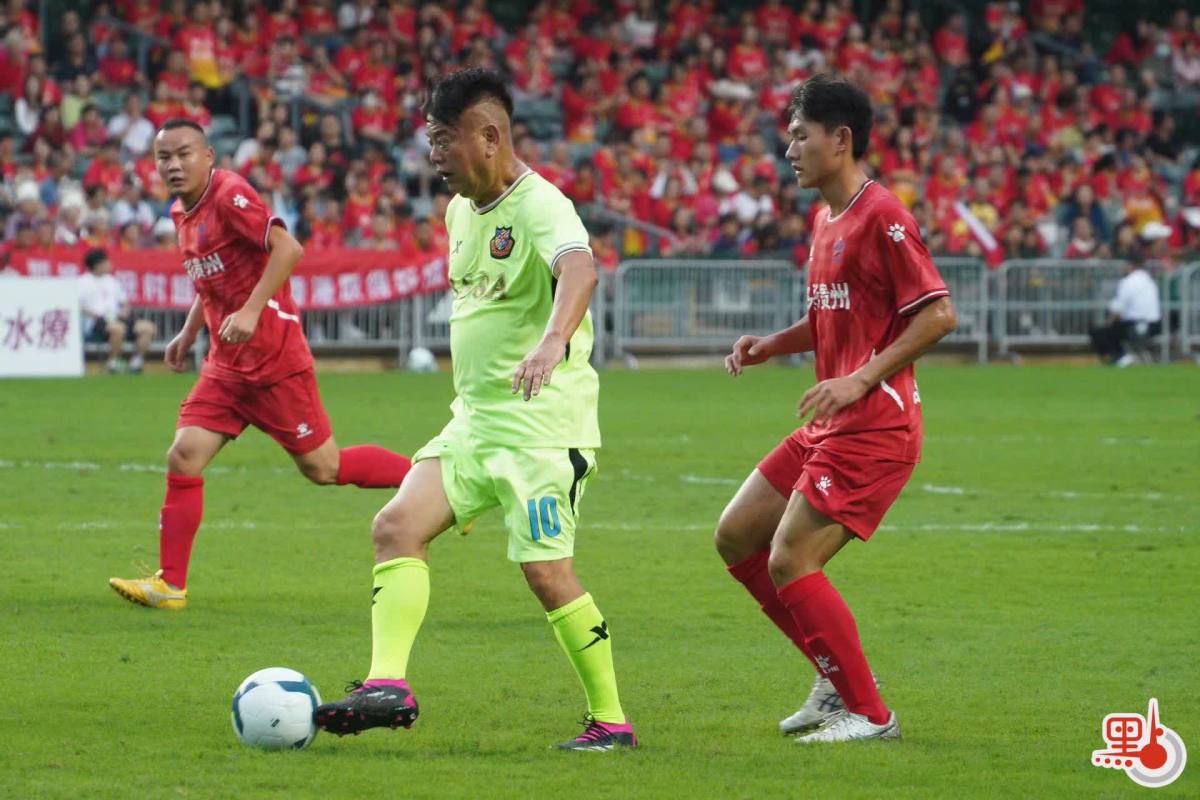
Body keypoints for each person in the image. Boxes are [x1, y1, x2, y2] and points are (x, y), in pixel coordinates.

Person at [314, 69, 636, 751]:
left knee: (546, 573)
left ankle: (611, 720)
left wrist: (552, 340)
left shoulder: (542, 205)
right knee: (395, 526)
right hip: (475, 422)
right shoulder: (460, 211)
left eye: (443, 138)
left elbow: (579, 269)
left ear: (489, 137)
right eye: (429, 139)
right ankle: (388, 685)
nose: (433, 154)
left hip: (542, 431)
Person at [715, 75, 957, 744]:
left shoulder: (884, 216)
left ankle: (871, 715)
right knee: (736, 535)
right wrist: (772, 345)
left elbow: (939, 315)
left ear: (841, 139)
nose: (788, 150)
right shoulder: (825, 220)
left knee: (790, 557)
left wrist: (861, 378)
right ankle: (834, 680)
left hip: (877, 425)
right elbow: (833, 317)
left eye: (800, 136)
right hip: (834, 423)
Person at [108, 119, 413, 611]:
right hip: (227, 367)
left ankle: (436, 484)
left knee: (324, 467)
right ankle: (170, 585)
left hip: (274, 361)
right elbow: (214, 280)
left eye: (184, 153)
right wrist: (189, 331)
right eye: (164, 157)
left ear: (208, 156)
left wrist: (251, 311)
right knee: (183, 456)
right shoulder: (181, 212)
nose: (174, 165)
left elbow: (289, 248)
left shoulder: (230, 194)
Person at [79, 248, 156, 373]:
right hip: (96, 322)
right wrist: (94, 314)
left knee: (147, 328)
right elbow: (78, 305)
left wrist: (124, 311)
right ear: (98, 264)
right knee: (117, 329)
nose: (110, 264)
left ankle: (136, 362)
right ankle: (113, 363)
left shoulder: (112, 281)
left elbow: (124, 302)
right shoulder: (81, 282)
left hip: (117, 318)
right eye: (106, 262)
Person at [1089, 259, 1162, 366]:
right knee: (1115, 330)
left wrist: (1110, 322)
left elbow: (1119, 306)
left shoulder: (1128, 282)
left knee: (1099, 332)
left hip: (1135, 325)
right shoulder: (1149, 280)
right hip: (1155, 325)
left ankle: (1120, 357)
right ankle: (1124, 356)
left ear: (1130, 266)